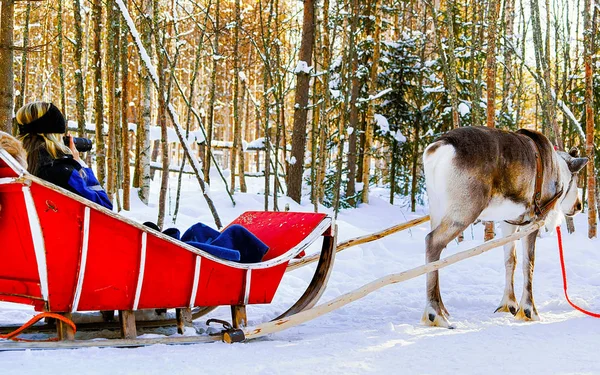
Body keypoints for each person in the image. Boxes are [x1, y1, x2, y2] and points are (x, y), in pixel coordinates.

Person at [16, 101, 113, 210]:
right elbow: (105, 207)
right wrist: (80, 165)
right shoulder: (62, 172)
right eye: (61, 135)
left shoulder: (12, 166)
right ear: (54, 137)